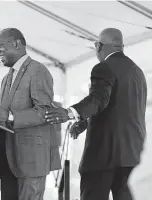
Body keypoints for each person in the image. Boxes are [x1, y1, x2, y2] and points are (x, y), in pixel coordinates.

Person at [45, 28, 147, 200]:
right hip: (130, 154)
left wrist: (71, 112)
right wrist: (85, 121)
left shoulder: (104, 67)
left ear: (98, 46)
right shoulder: (137, 72)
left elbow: (99, 99)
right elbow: (118, 108)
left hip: (103, 155)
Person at [0, 28, 61, 200]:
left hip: (31, 159)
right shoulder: (6, 78)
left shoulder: (37, 71)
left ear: (17, 44)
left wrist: (10, 117)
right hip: (9, 157)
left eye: (0, 46)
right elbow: (6, 116)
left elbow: (45, 111)